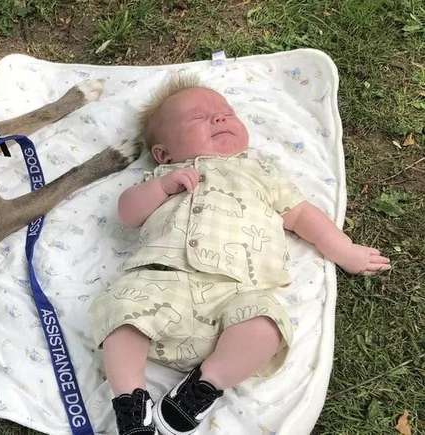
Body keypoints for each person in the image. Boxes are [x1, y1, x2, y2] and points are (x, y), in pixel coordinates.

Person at [90, 74, 391, 435]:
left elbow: (300, 214)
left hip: (236, 293)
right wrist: (161, 188)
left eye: (225, 113)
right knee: (119, 310)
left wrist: (344, 250)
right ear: (163, 153)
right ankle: (130, 401)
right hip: (160, 284)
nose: (218, 118)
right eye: (199, 118)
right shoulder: (165, 174)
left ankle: (204, 385)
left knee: (267, 324)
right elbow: (127, 213)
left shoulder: (260, 171)